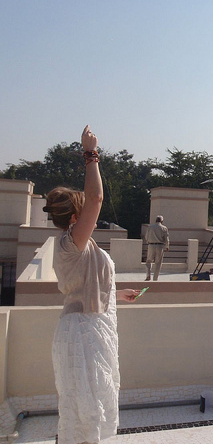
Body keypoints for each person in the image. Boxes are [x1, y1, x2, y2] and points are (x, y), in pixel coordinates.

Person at [44, 125, 142, 444]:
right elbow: (96, 198)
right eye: (83, 209)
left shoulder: (80, 248)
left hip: (93, 329)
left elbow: (87, 287)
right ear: (76, 217)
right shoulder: (71, 244)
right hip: (83, 334)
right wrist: (91, 155)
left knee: (89, 412)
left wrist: (118, 294)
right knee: (86, 415)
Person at [145, 215, 170, 281]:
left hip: (151, 245)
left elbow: (146, 236)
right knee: (158, 263)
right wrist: (167, 246)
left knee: (148, 261)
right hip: (160, 246)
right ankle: (155, 278)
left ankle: (148, 275)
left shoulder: (150, 227)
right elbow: (166, 238)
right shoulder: (164, 228)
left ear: (156, 220)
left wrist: (148, 242)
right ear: (162, 221)